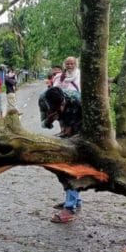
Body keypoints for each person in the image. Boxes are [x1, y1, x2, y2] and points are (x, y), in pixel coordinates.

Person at [39, 86, 84, 223]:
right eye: (56, 108)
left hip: (80, 132)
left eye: (62, 105)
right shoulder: (43, 100)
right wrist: (50, 120)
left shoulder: (77, 99)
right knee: (59, 167)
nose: (61, 109)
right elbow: (44, 124)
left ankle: (69, 209)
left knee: (70, 169)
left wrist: (74, 132)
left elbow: (92, 121)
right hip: (64, 133)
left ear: (65, 99)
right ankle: (74, 201)